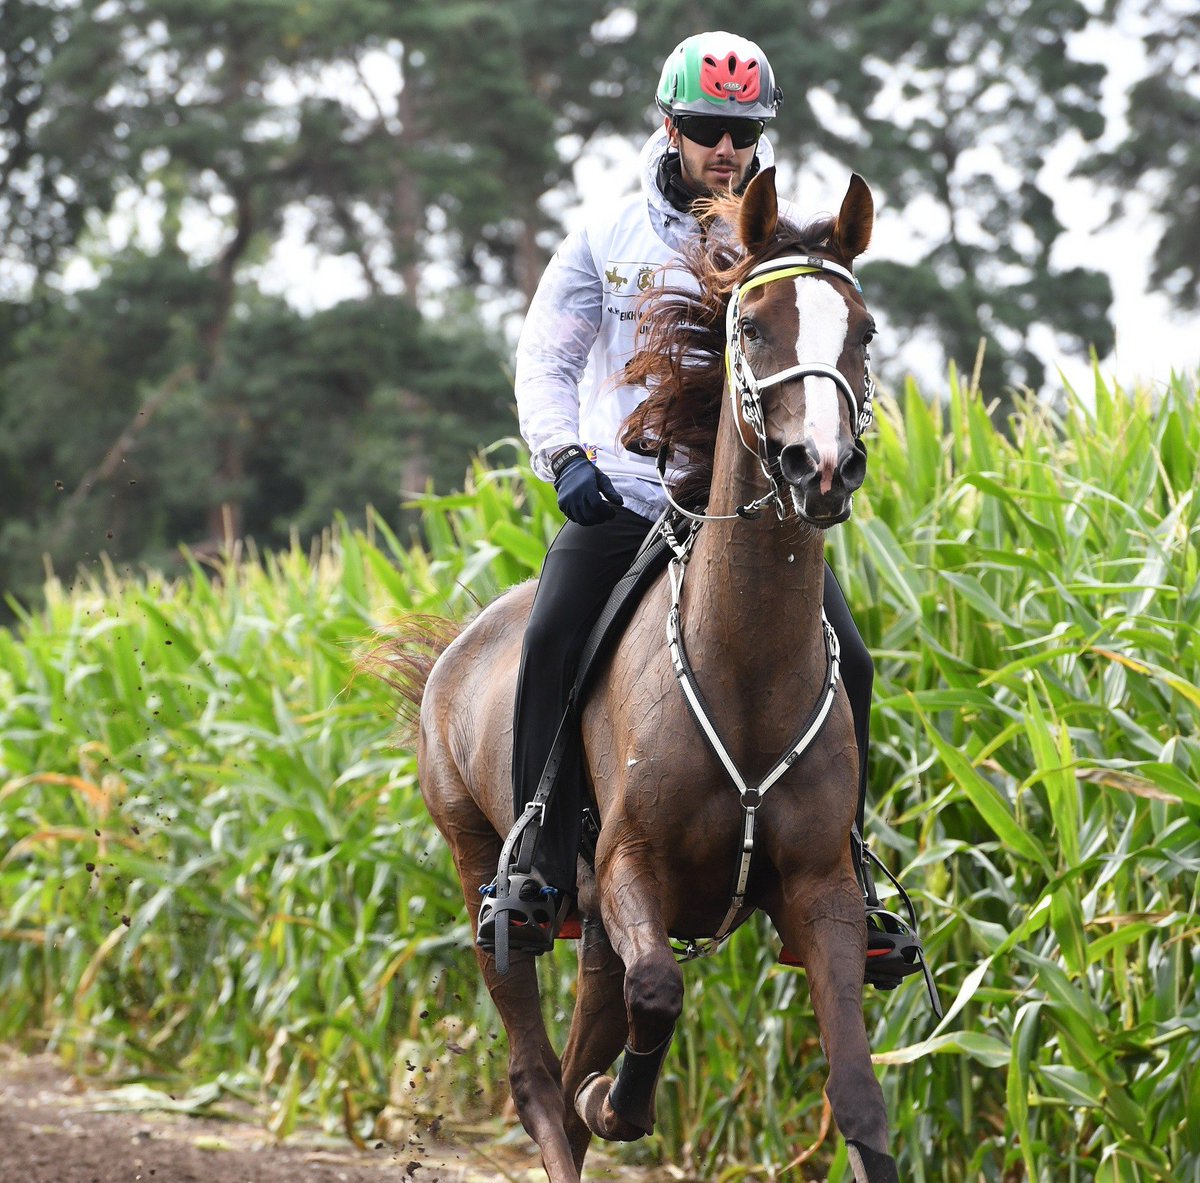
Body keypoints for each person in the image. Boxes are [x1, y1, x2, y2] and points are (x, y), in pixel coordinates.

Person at [478, 30, 924, 992]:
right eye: (707, 129)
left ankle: (855, 877)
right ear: (670, 127)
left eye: (743, 131)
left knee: (854, 655)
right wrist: (563, 457)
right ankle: (535, 866)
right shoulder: (606, 237)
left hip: (751, 517)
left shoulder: (784, 236)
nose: (725, 149)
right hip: (625, 499)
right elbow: (546, 361)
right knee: (554, 632)